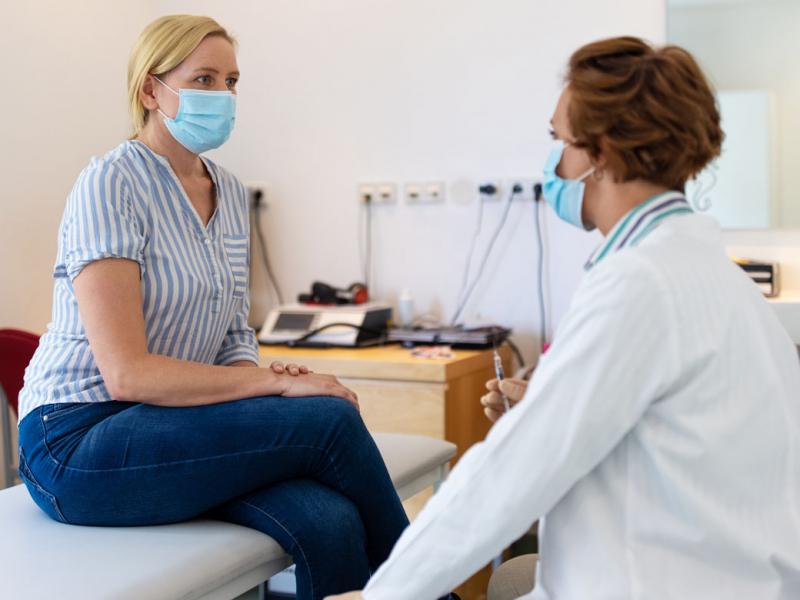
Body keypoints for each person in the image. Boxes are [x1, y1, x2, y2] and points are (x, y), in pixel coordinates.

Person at [326, 36, 800, 600]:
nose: (554, 163)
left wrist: (384, 596)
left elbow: (506, 478)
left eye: (559, 141)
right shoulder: (709, 275)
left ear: (599, 152)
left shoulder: (640, 284)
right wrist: (550, 397)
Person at [17, 15, 410, 600]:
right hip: (76, 441)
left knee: (330, 521)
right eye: (203, 78)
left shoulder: (227, 194)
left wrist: (258, 380)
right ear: (151, 90)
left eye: (231, 81)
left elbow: (232, 337)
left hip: (173, 426)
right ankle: (436, 589)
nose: (222, 96)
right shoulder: (110, 183)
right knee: (325, 419)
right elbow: (128, 373)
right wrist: (274, 389)